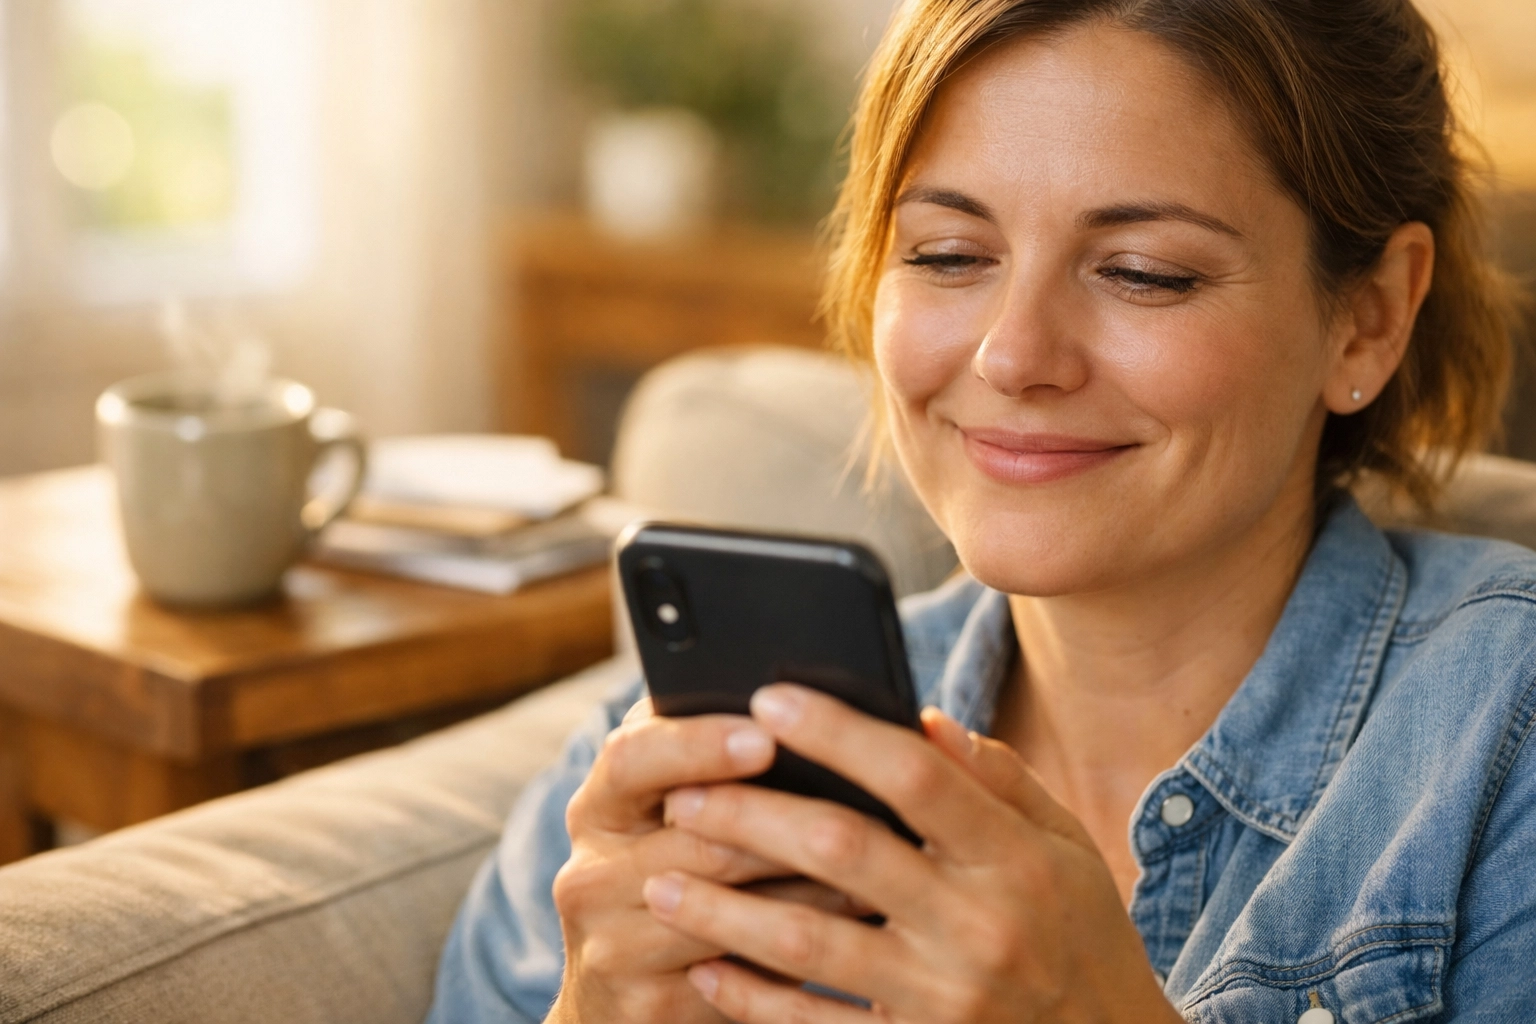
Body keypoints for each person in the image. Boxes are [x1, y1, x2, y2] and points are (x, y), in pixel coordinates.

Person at [428, 0, 1534, 1020]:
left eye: (1144, 272)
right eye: (949, 254)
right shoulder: (671, 780)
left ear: (1370, 320)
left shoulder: (1499, 741)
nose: (1013, 355)